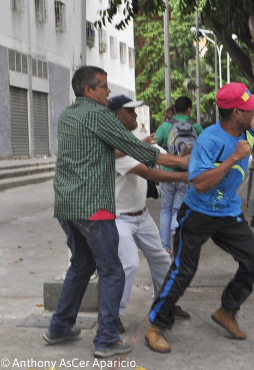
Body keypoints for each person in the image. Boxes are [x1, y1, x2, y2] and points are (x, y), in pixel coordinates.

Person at [144, 82, 254, 353]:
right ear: (235, 113)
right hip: (197, 214)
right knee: (183, 271)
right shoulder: (209, 140)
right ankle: (156, 326)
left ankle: (227, 310)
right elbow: (199, 184)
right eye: (249, 108)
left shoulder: (249, 133)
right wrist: (234, 157)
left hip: (229, 213)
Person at [45, 66, 188, 359]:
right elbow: (141, 152)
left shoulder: (69, 114)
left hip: (66, 205)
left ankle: (59, 327)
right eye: (103, 86)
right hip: (93, 208)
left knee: (82, 265)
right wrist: (186, 163)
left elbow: (110, 151)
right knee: (113, 272)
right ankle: (106, 339)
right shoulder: (100, 116)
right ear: (89, 90)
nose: (108, 92)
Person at [107, 95, 192, 334]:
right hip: (118, 217)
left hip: (141, 215)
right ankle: (113, 316)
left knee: (162, 259)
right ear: (116, 115)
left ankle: (166, 303)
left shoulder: (135, 138)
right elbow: (150, 172)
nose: (135, 116)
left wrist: (185, 153)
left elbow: (164, 156)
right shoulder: (113, 146)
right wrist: (183, 174)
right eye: (130, 112)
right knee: (129, 265)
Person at [155, 96, 203, 252]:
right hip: (187, 175)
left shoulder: (165, 126)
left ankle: (164, 247)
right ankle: (175, 230)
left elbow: (154, 146)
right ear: (189, 110)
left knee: (165, 209)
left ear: (174, 111)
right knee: (178, 209)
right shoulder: (196, 126)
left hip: (167, 174)